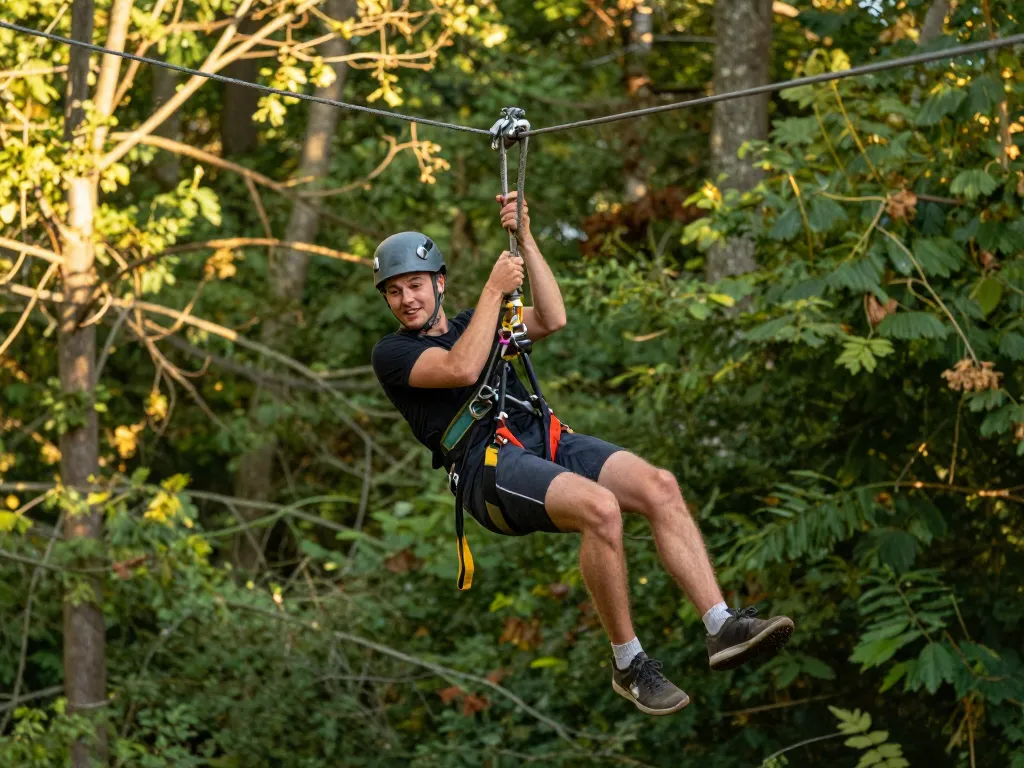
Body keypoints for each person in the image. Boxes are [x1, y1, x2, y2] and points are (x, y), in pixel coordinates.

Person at [370, 193, 794, 716]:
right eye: (394, 291)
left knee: (659, 485)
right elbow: (459, 368)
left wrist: (525, 237)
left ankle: (720, 625)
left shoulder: (468, 320)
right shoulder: (392, 354)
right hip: (486, 467)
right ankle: (629, 662)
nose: (406, 298)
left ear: (438, 282)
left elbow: (552, 318)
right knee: (601, 508)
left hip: (541, 437)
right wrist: (494, 289)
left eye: (414, 284)